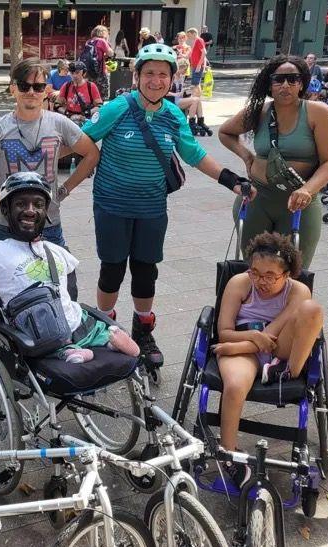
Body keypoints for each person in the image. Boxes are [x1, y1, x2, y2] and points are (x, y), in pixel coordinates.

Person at [82, 44, 252, 371]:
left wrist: (232, 180)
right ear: (137, 77)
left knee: (146, 270)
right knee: (113, 268)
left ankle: (143, 332)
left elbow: (194, 154)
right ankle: (106, 329)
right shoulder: (118, 108)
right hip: (112, 204)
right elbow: (82, 138)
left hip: (151, 207)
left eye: (163, 74)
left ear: (172, 79)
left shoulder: (173, 115)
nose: (156, 80)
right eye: (149, 74)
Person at [0, 172, 140, 363]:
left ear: (46, 212)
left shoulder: (56, 251)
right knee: (51, 329)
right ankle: (71, 349)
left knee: (84, 318)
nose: (30, 210)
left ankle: (105, 338)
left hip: (74, 322)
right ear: (6, 209)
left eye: (38, 205)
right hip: (40, 333)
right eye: (20, 204)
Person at [212, 232, 323, 485]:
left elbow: (272, 335)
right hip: (243, 340)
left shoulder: (298, 290)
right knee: (236, 384)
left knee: (312, 309)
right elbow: (224, 332)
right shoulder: (239, 283)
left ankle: (287, 371)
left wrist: (236, 348)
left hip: (279, 346)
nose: (261, 281)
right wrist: (248, 339)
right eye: (255, 273)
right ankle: (228, 453)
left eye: (270, 276)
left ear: (287, 274)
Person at [219, 55, 328, 268]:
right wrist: (246, 155)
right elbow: (225, 132)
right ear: (270, 84)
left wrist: (307, 190)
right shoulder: (260, 111)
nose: (285, 84)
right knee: (254, 270)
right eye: (279, 79)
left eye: (292, 79)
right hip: (258, 198)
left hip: (298, 203)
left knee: (295, 273)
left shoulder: (318, 112)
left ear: (301, 83)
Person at [0, 58, 100, 248]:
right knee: (9, 277)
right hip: (9, 225)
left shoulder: (59, 123)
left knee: (56, 276)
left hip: (49, 223)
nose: (31, 92)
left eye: (38, 86)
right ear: (13, 89)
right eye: (24, 86)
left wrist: (64, 190)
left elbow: (91, 154)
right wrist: (5, 206)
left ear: (46, 90)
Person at [168, 58, 209, 135]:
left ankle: (200, 122)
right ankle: (191, 124)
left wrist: (186, 90)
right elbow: (165, 92)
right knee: (195, 100)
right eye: (184, 69)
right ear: (179, 68)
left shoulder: (182, 77)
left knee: (198, 99)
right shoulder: (171, 77)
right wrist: (176, 94)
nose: (185, 71)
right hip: (173, 100)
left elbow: (180, 90)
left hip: (180, 99)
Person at [83, 25, 114, 101]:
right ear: (103, 33)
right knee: (103, 95)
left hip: (89, 72)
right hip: (100, 72)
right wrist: (107, 42)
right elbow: (111, 53)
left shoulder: (88, 42)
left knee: (90, 93)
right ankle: (102, 110)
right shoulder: (101, 41)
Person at [187, 28, 207, 97]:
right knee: (197, 83)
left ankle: (196, 98)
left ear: (194, 34)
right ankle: (197, 98)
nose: (188, 37)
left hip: (197, 65)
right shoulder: (196, 41)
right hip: (195, 65)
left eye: (189, 35)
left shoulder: (199, 40)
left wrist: (199, 64)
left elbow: (204, 52)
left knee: (195, 83)